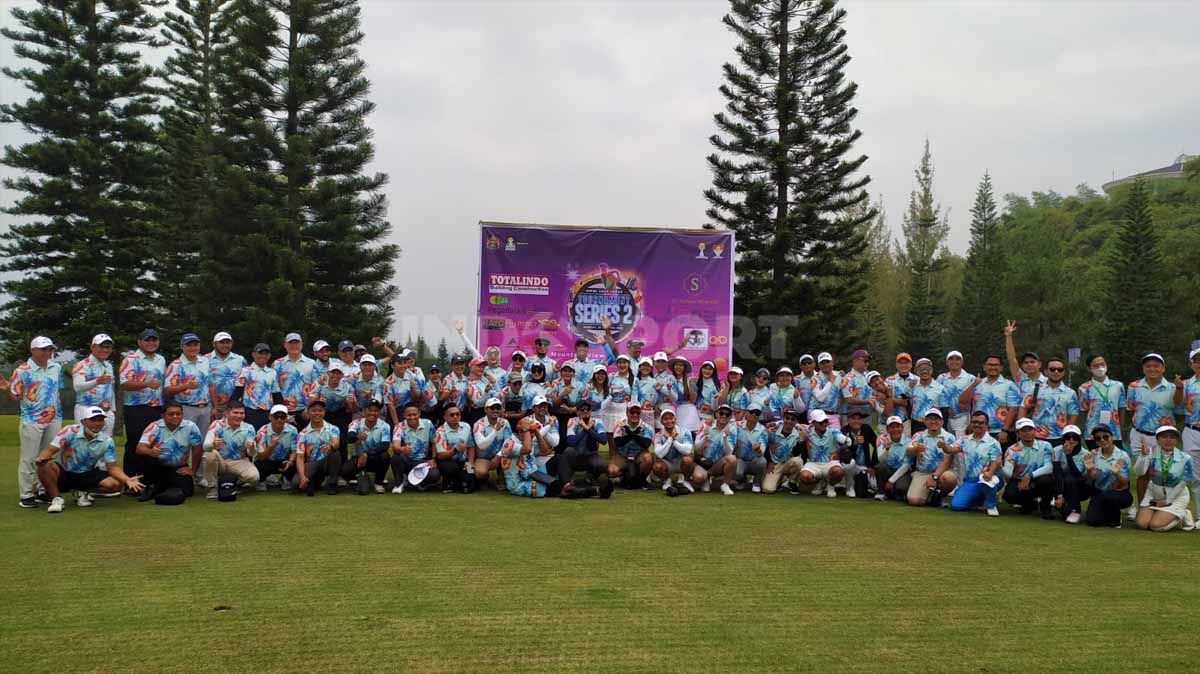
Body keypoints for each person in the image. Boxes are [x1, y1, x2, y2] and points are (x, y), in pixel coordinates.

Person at [34, 406, 144, 513]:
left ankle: (83, 492)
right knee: (45, 465)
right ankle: (56, 499)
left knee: (116, 484)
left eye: (100, 420)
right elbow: (50, 450)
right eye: (93, 420)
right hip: (64, 472)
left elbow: (112, 467)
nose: (97, 423)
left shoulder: (107, 441)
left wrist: (127, 480)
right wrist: (42, 458)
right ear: (83, 422)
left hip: (86, 474)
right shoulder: (70, 431)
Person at [7, 336, 64, 508]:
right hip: (32, 419)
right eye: (43, 349)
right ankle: (26, 495)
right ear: (33, 351)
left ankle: (43, 490)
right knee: (29, 458)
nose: (47, 353)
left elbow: (57, 390)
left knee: (48, 456)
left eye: (49, 349)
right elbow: (14, 396)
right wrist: (6, 390)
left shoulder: (56, 367)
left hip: (54, 417)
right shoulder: (22, 370)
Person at [1126, 352, 1177, 518]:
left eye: (1156, 365)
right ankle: (1142, 507)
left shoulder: (1172, 388)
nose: (1152, 369)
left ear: (1163, 368)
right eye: (1148, 366)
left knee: (1159, 473)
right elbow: (1132, 408)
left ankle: (1159, 506)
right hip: (1139, 435)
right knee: (1142, 473)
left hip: (1163, 438)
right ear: (1143, 368)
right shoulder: (1134, 386)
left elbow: (1179, 408)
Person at [119, 328, 166, 487]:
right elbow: (124, 384)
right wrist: (146, 384)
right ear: (139, 342)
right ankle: (131, 481)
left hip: (157, 407)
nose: (151, 343)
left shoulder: (161, 359)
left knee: (152, 443)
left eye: (154, 340)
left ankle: (149, 480)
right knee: (135, 443)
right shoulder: (131, 359)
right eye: (147, 340)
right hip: (136, 407)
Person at [135, 401, 203, 499]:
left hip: (178, 468)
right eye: (171, 414)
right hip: (157, 467)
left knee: (187, 491)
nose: (175, 416)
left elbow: (198, 449)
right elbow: (139, 448)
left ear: (182, 414)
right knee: (146, 457)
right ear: (163, 415)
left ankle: (162, 488)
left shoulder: (191, 427)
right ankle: (150, 486)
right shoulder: (154, 426)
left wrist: (193, 470)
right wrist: (151, 451)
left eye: (178, 414)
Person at [1134, 426, 1195, 532]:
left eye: (1172, 437)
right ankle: (1160, 514)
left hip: (1175, 496)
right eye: (1164, 437)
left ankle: (1183, 513)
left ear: (1176, 440)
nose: (1168, 440)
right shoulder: (1151, 453)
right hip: (1153, 494)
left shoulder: (1186, 458)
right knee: (1142, 524)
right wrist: (1143, 457)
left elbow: (1182, 483)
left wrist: (1167, 501)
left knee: (1155, 526)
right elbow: (1139, 472)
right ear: (1157, 439)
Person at [947, 411, 1004, 516]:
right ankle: (978, 499)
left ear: (987, 425)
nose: (977, 425)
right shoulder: (964, 440)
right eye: (974, 422)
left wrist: (990, 473)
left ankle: (990, 504)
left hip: (987, 477)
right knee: (956, 505)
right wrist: (943, 446)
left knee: (987, 481)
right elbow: (951, 450)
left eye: (981, 423)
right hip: (970, 481)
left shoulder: (993, 443)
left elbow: (996, 461)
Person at [199, 401, 260, 498]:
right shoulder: (217, 425)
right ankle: (212, 488)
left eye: (241, 413)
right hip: (220, 461)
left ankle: (232, 484)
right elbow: (205, 446)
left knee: (254, 477)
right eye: (235, 413)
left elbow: (252, 454)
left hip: (238, 461)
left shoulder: (249, 428)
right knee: (209, 454)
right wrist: (213, 444)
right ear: (227, 413)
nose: (239, 416)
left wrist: (252, 448)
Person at [959, 355, 1020, 448]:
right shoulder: (978, 384)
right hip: (978, 432)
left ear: (1001, 368)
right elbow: (962, 402)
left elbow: (1014, 409)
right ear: (984, 367)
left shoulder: (1009, 385)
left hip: (1000, 433)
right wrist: (973, 385)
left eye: (996, 365)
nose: (993, 367)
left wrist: (1005, 430)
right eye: (990, 365)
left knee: (1000, 461)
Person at [1018, 357, 1079, 446]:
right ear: (1046, 371)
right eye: (1052, 369)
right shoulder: (1035, 389)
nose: (1056, 372)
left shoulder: (1070, 393)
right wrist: (1021, 428)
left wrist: (1068, 435)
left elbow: (1073, 415)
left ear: (1064, 372)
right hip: (1036, 436)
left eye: (1060, 370)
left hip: (1059, 437)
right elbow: (1023, 407)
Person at [903, 409, 957, 506]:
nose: (933, 422)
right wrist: (916, 449)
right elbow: (908, 452)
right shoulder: (919, 435)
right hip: (922, 473)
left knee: (949, 478)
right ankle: (931, 495)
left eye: (936, 419)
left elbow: (947, 461)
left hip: (941, 474)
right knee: (914, 500)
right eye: (929, 419)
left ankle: (941, 495)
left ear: (942, 421)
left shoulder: (949, 437)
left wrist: (934, 477)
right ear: (925, 421)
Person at [1002, 417, 1054, 518]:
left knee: (1047, 480)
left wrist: (1030, 476)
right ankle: (1029, 504)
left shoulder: (1045, 446)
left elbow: (1049, 467)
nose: (1027, 433)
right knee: (1009, 495)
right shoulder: (1012, 450)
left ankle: (1046, 508)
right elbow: (1008, 473)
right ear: (1018, 434)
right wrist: (999, 466)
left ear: (1035, 431)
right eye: (1023, 430)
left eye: (1030, 429)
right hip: (1020, 481)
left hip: (1038, 479)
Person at [1082, 426, 1132, 527]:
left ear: (1112, 437)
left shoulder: (1123, 456)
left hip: (1119, 493)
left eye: (1106, 437)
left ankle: (1116, 518)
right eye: (1098, 438)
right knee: (1093, 521)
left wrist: (1117, 474)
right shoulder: (1093, 455)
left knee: (1109, 497)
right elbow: (1088, 479)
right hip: (1099, 492)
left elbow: (1124, 484)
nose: (1102, 440)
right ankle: (1107, 513)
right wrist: (1089, 470)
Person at [164, 333, 213, 436]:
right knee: (184, 440)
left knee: (202, 441)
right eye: (189, 345)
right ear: (182, 346)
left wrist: (215, 406)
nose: (193, 348)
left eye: (195, 345)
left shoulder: (205, 361)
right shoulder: (175, 365)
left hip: (206, 407)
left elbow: (211, 385)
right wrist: (186, 386)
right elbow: (167, 390)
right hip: (186, 408)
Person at [340, 399, 392, 493]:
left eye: (375, 410)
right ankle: (360, 476)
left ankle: (378, 483)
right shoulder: (356, 423)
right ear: (364, 411)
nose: (372, 413)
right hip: (358, 459)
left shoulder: (385, 426)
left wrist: (366, 454)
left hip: (374, 458)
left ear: (379, 412)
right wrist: (357, 436)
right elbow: (349, 437)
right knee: (345, 471)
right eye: (370, 410)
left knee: (385, 456)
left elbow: (385, 445)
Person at [797, 409, 850, 498]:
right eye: (821, 422)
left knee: (838, 471)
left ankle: (830, 485)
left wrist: (845, 439)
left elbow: (845, 440)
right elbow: (795, 424)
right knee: (804, 476)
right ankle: (819, 482)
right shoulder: (808, 431)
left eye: (826, 421)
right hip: (813, 464)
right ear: (813, 423)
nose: (824, 424)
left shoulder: (833, 431)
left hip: (830, 463)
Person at [294, 399, 342, 496]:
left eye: (320, 410)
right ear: (308, 412)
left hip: (327, 462)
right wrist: (302, 477)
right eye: (314, 410)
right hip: (313, 463)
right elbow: (300, 457)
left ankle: (332, 483)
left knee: (335, 453)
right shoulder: (303, 434)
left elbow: (336, 443)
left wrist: (330, 446)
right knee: (296, 483)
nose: (317, 413)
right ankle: (313, 482)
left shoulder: (333, 428)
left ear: (324, 412)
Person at [72, 333, 116, 435]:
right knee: (85, 443)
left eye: (108, 347)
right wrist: (97, 381)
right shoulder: (81, 365)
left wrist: (113, 410)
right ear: (93, 347)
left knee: (105, 443)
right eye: (101, 346)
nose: (105, 350)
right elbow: (77, 387)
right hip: (86, 408)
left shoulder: (108, 366)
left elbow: (110, 389)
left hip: (106, 411)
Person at [1077, 354, 1125, 447]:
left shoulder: (1118, 386)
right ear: (1089, 368)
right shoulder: (1084, 388)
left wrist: (1120, 427)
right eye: (1096, 365)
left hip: (1114, 432)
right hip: (1092, 433)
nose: (1100, 367)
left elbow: (1121, 407)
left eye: (1102, 364)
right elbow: (1084, 410)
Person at [558, 399, 609, 486]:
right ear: (577, 412)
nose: (585, 411)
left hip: (590, 455)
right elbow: (571, 442)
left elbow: (603, 440)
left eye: (588, 409)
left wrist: (588, 429)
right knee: (568, 451)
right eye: (582, 410)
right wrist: (585, 429)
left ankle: (591, 477)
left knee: (602, 464)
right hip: (576, 456)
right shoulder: (572, 421)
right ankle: (566, 481)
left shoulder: (597, 421)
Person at [692, 403, 739, 495]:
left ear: (730, 417)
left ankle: (725, 485)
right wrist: (704, 437)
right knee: (698, 478)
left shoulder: (732, 429)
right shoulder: (705, 424)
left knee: (732, 459)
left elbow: (729, 452)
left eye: (727, 414)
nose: (724, 416)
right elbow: (696, 449)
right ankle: (706, 478)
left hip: (718, 464)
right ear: (717, 414)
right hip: (703, 462)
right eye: (721, 413)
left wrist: (725, 438)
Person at [390, 402, 438, 493]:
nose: (412, 417)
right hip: (406, 460)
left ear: (419, 413)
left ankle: (421, 484)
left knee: (435, 475)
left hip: (422, 461)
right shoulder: (399, 426)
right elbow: (395, 446)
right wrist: (402, 449)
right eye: (409, 415)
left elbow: (434, 442)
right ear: (404, 415)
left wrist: (433, 458)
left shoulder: (428, 424)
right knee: (396, 457)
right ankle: (399, 483)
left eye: (414, 414)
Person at [274, 332, 320, 425]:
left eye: (297, 343)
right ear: (285, 345)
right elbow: (273, 389)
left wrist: (309, 408)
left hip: (305, 411)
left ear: (302, 344)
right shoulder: (277, 364)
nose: (294, 345)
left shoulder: (312, 363)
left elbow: (317, 388)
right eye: (291, 343)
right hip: (283, 412)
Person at [1177, 347, 1200, 522]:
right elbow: (1177, 406)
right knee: (1196, 477)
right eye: (1197, 360)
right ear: (1191, 364)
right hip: (1192, 431)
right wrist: (1178, 389)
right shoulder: (1185, 385)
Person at [253, 405, 299, 491]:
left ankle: (285, 478)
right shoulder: (262, 431)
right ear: (270, 417)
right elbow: (261, 457)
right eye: (276, 416)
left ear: (286, 418)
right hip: (266, 460)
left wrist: (290, 461)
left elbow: (294, 450)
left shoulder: (292, 430)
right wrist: (271, 447)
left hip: (283, 460)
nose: (279, 419)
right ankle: (262, 480)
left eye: (283, 417)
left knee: (297, 460)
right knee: (260, 464)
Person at [313, 364, 354, 463]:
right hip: (324, 414)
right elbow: (311, 404)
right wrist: (318, 400)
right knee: (323, 440)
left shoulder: (348, 387)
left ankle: (342, 468)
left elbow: (350, 409)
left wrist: (348, 403)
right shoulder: (319, 385)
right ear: (328, 373)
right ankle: (322, 466)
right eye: (333, 372)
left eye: (338, 373)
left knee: (342, 441)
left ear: (342, 375)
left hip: (341, 415)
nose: (335, 375)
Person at [608, 402, 654, 488]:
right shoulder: (619, 425)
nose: (635, 415)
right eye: (632, 412)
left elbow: (646, 444)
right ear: (627, 413)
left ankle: (643, 479)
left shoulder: (647, 427)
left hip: (639, 455)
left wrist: (627, 431)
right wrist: (634, 432)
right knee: (612, 471)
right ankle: (624, 475)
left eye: (637, 413)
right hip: (623, 455)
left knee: (648, 459)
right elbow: (618, 443)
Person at [236, 343, 282, 430]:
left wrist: (281, 410)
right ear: (253, 354)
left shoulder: (272, 372)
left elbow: (277, 394)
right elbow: (238, 391)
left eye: (266, 353)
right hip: (250, 411)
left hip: (268, 412)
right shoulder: (245, 371)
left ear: (269, 356)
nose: (263, 356)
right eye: (260, 353)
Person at [470, 398, 512, 491]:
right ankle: (485, 480)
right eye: (492, 408)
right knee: (480, 473)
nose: (495, 410)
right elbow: (482, 445)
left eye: (498, 408)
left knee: (513, 454)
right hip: (483, 457)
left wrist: (498, 456)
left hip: (500, 456)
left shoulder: (505, 423)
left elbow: (508, 442)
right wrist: (495, 430)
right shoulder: (478, 424)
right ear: (486, 410)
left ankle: (501, 478)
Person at [651, 406, 695, 492]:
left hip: (680, 462)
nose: (669, 421)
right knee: (657, 466)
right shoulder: (658, 435)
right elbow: (659, 454)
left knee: (688, 460)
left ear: (675, 419)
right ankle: (667, 480)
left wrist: (673, 440)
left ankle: (685, 480)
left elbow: (687, 450)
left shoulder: (685, 431)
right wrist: (670, 439)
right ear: (661, 421)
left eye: (671, 418)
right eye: (665, 419)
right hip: (667, 463)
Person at [432, 403, 474, 493]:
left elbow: (471, 446)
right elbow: (440, 455)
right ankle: (449, 482)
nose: (455, 417)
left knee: (471, 478)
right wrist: (455, 450)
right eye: (452, 415)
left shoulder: (466, 427)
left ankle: (459, 483)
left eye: (457, 414)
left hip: (464, 461)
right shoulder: (440, 431)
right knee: (452, 468)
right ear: (445, 417)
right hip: (447, 461)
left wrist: (470, 463)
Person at [762, 409, 804, 494]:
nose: (789, 421)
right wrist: (769, 462)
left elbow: (796, 453)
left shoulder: (798, 433)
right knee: (768, 489)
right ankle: (780, 480)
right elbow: (765, 445)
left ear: (796, 422)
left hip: (788, 462)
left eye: (793, 419)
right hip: (774, 464)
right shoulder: (773, 429)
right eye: (787, 418)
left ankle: (792, 482)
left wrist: (801, 441)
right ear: (783, 419)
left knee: (798, 461)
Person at [207, 331, 245, 421]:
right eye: (221, 342)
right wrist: (214, 406)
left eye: (227, 342)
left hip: (234, 406)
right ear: (214, 344)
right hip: (210, 405)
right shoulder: (204, 360)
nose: (225, 345)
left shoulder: (240, 360)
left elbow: (245, 383)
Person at [874, 416, 912, 502]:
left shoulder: (909, 442)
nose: (895, 429)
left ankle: (893, 490)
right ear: (887, 429)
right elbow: (881, 461)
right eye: (892, 427)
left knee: (901, 489)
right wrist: (886, 450)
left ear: (902, 428)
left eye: (897, 426)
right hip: (888, 470)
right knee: (880, 467)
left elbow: (907, 465)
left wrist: (891, 481)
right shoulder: (882, 440)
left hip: (903, 472)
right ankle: (881, 492)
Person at [937, 350, 975, 437]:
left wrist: (972, 420)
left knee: (960, 446)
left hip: (963, 418)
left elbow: (975, 402)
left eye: (957, 359)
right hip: (944, 418)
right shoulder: (941, 378)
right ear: (947, 362)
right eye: (951, 359)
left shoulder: (970, 378)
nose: (954, 361)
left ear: (962, 362)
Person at [1004, 320, 1046, 398]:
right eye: (1026, 363)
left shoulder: (1048, 382)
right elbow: (1011, 358)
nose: (1029, 364)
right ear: (1022, 366)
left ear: (1039, 364)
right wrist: (1008, 336)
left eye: (1032, 362)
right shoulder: (1020, 379)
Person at [732, 403, 769, 492]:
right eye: (751, 412)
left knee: (762, 461)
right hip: (740, 459)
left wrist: (758, 449)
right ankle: (741, 480)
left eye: (757, 413)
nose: (754, 414)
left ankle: (756, 482)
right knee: (737, 472)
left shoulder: (763, 430)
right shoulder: (736, 425)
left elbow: (762, 451)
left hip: (754, 461)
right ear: (746, 413)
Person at [907, 358, 950, 434]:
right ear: (917, 371)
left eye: (927, 369)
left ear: (932, 370)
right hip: (916, 425)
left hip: (934, 425)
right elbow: (906, 403)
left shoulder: (940, 388)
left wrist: (943, 429)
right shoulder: (912, 387)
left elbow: (945, 411)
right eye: (921, 369)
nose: (924, 371)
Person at [550, 362, 585, 451]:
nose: (567, 373)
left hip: (573, 415)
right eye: (565, 370)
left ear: (573, 373)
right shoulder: (555, 384)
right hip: (559, 416)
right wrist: (563, 394)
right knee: (561, 439)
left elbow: (582, 403)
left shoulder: (580, 385)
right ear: (561, 372)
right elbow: (554, 404)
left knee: (572, 439)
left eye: (570, 371)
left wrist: (570, 409)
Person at [526, 396, 561, 478]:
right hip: (532, 458)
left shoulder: (552, 420)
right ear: (533, 408)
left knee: (560, 458)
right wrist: (548, 426)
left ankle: (566, 484)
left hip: (547, 457)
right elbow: (532, 439)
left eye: (545, 406)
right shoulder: (527, 421)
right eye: (539, 406)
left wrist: (542, 427)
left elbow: (555, 443)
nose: (542, 408)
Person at [809, 353, 843, 429]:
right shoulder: (814, 378)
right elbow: (820, 398)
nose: (825, 365)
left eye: (827, 362)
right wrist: (830, 382)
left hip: (833, 414)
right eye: (822, 363)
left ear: (832, 362)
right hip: (816, 413)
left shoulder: (839, 375)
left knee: (836, 437)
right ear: (819, 365)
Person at [884, 352, 917, 431]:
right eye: (901, 363)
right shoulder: (889, 380)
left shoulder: (917, 380)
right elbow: (885, 399)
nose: (903, 365)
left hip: (912, 420)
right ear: (896, 365)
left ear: (911, 364)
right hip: (893, 419)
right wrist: (899, 401)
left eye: (906, 363)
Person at [839, 348, 874, 421]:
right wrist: (868, 401)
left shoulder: (868, 375)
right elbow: (849, 399)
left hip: (867, 415)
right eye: (865, 361)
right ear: (855, 361)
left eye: (868, 361)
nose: (867, 363)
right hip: (850, 416)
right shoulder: (848, 378)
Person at [351, 354, 386, 420]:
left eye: (370, 365)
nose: (367, 367)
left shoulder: (380, 381)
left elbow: (378, 401)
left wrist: (370, 397)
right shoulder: (354, 379)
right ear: (360, 366)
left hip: (376, 412)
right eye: (364, 365)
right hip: (359, 412)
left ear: (375, 366)